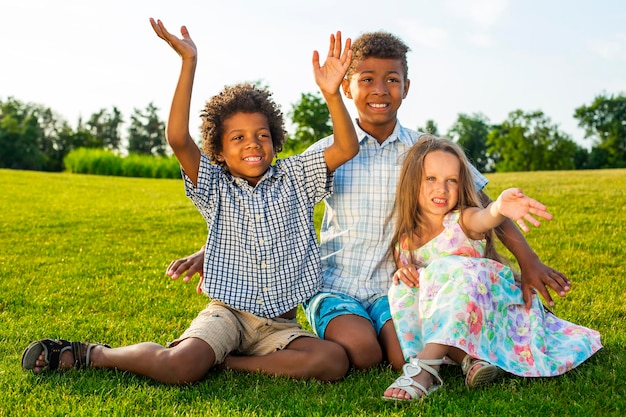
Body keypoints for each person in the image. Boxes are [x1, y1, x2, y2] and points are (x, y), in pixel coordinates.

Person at [167, 31, 573, 372]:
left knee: (400, 357)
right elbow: (268, 209)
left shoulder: (426, 152)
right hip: (335, 283)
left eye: (392, 79)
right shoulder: (327, 151)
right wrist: (212, 248)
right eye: (366, 79)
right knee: (362, 354)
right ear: (347, 86)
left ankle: (470, 347)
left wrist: (528, 259)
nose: (380, 90)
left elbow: (483, 207)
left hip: (394, 285)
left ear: (406, 88)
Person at [20, 18, 359, 384]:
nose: (252, 144)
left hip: (281, 324)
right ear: (219, 151)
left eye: (262, 135)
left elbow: (345, 147)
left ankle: (226, 364)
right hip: (228, 315)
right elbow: (179, 138)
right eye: (238, 138)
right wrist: (188, 63)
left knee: (332, 361)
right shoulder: (214, 186)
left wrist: (331, 94)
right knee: (179, 367)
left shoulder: (295, 177)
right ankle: (95, 353)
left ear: (276, 141)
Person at [382, 136, 602, 401]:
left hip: (488, 310)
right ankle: (470, 360)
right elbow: (417, 293)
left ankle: (425, 369)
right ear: (412, 182)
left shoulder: (462, 219)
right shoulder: (405, 241)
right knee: (405, 285)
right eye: (431, 179)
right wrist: (403, 273)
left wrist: (498, 207)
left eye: (451, 180)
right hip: (453, 319)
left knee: (454, 270)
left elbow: (485, 217)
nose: (441, 189)